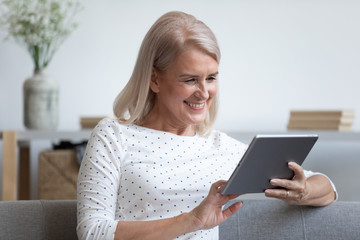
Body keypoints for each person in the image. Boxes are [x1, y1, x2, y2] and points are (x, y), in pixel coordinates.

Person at [76, 11, 337, 240]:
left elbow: (327, 188)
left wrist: (303, 191)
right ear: (155, 79)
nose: (204, 93)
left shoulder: (219, 147)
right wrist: (191, 221)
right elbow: (92, 231)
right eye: (190, 80)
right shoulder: (113, 136)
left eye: (211, 78)